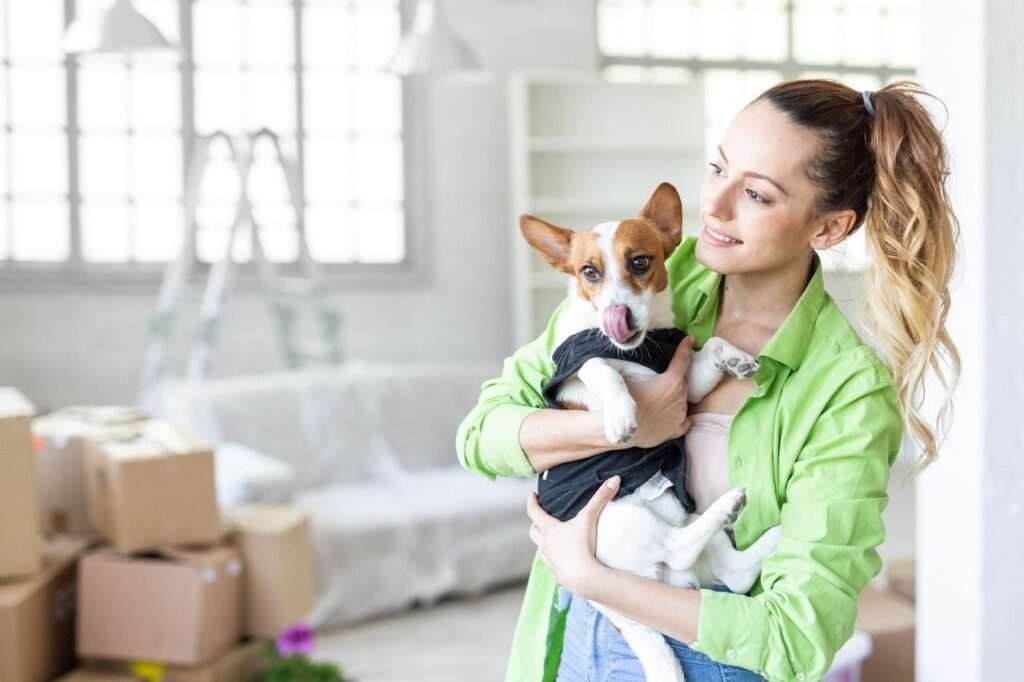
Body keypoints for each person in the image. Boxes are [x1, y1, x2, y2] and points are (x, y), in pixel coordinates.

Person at [456, 79, 961, 682]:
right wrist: (616, 426)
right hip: (570, 640)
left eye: (755, 193)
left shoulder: (847, 391)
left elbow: (795, 637)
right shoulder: (647, 281)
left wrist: (591, 576)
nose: (715, 206)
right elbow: (482, 434)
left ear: (827, 228)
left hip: (704, 662)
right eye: (717, 167)